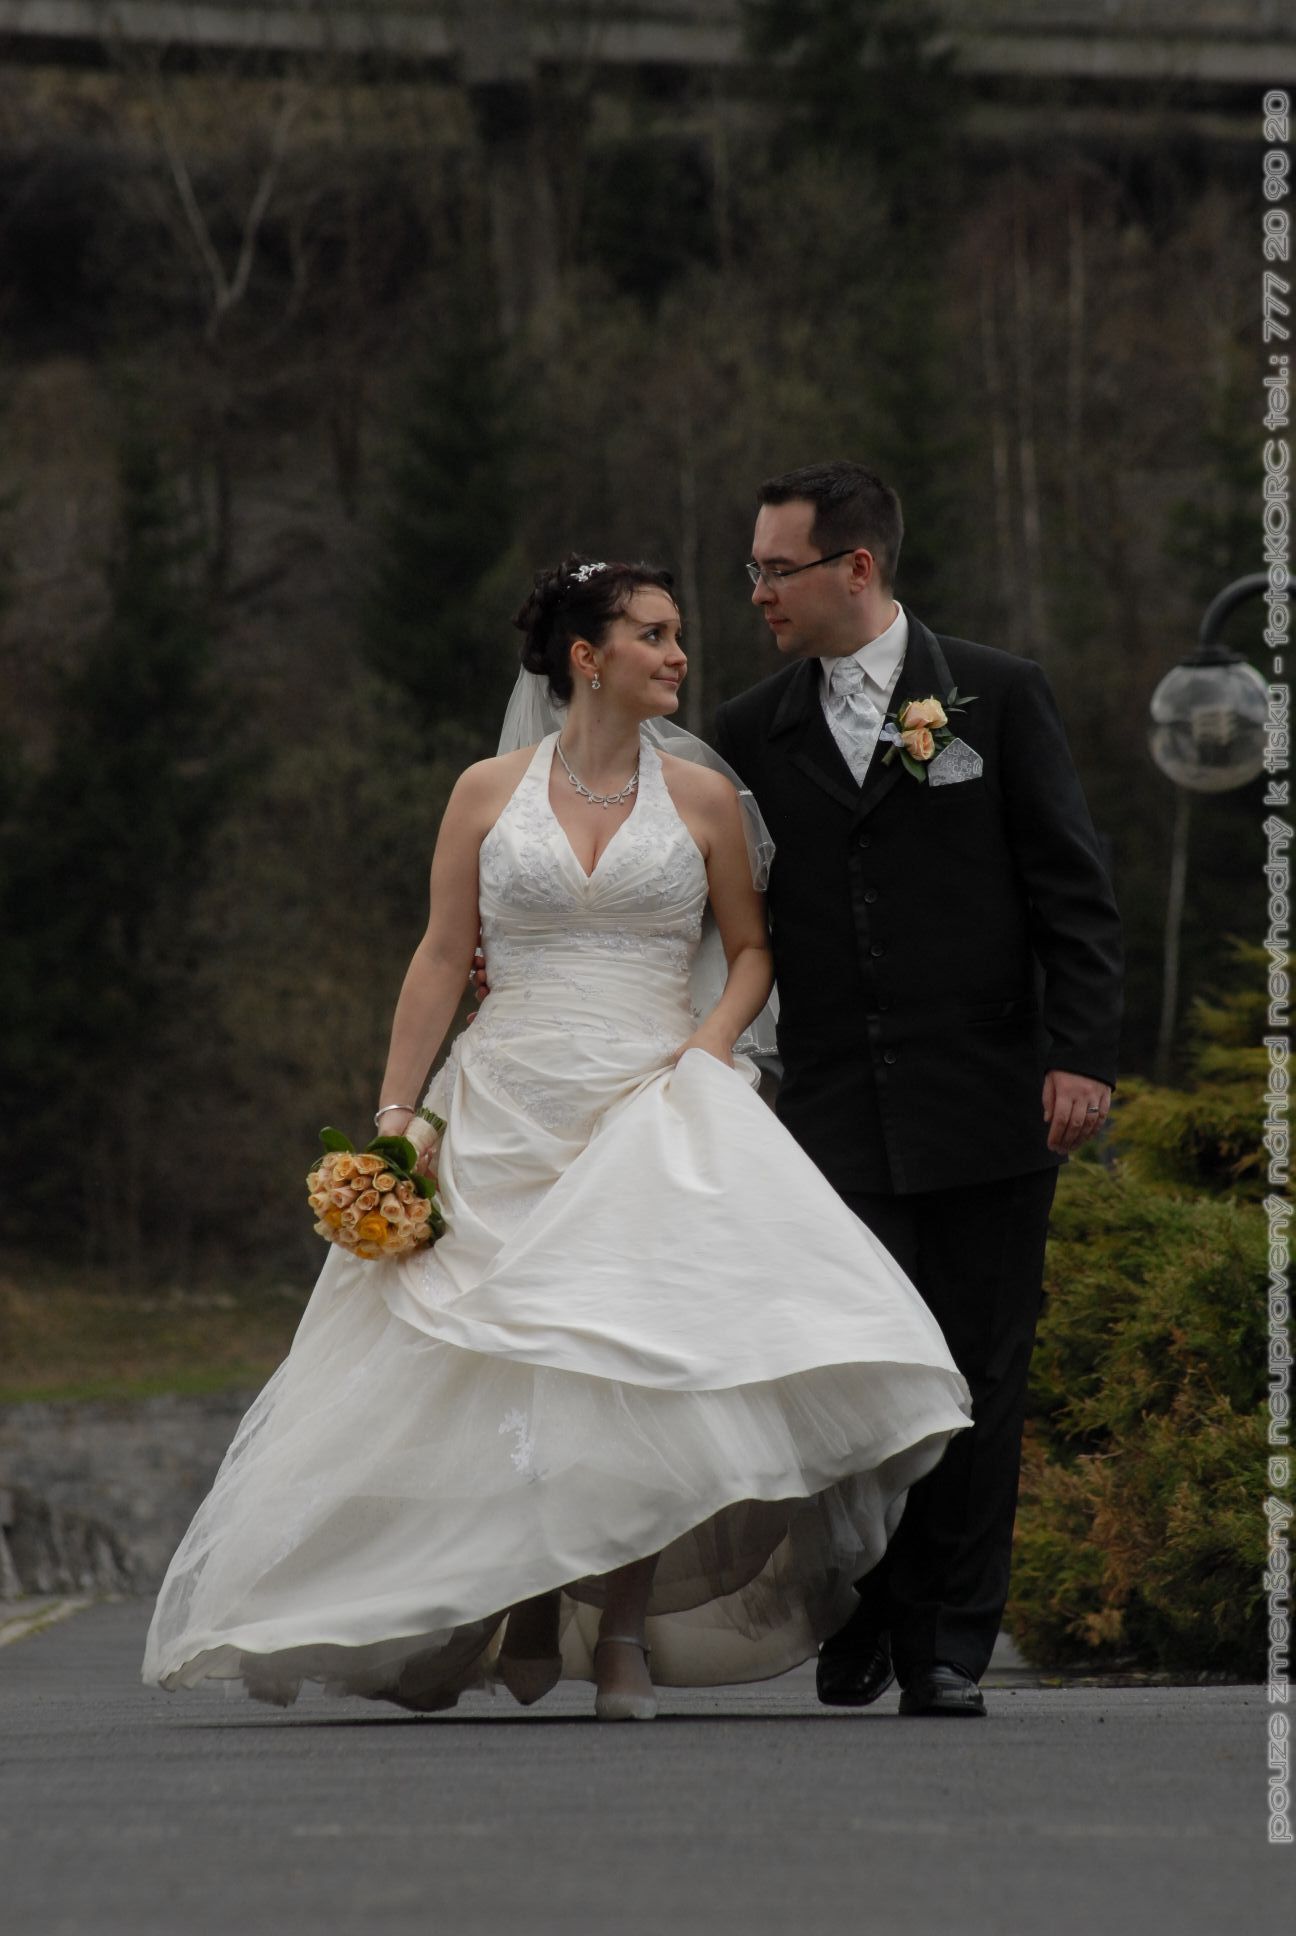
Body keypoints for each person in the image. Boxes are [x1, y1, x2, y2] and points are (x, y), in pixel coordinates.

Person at [142, 555, 971, 1722]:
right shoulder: (485, 791)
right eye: (655, 634)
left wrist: (707, 1050)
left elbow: (752, 952)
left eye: (677, 633)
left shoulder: (704, 800)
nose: (680, 653)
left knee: (632, 1364)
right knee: (494, 1367)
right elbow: (443, 955)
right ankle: (521, 1588)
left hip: (646, 1100)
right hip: (504, 1097)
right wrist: (396, 1117)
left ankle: (622, 1630)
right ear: (588, 658)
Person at [712, 461, 1124, 1717]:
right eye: (751, 570)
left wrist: (1080, 1052)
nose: (758, 592)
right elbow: (712, 912)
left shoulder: (998, 694)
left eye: (776, 569)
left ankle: (947, 1638)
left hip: (991, 1094)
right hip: (830, 1113)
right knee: (855, 1368)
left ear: (857, 567)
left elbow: (1072, 891)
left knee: (980, 1372)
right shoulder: (748, 732)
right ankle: (869, 1606)